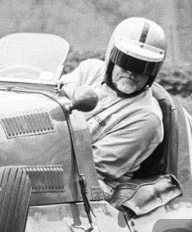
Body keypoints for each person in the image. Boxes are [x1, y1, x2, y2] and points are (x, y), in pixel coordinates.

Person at [61, 17, 167, 196]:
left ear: (153, 72)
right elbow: (52, 104)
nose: (132, 72)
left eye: (144, 66)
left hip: (90, 189)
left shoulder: (146, 118)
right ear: (112, 56)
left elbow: (91, 167)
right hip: (54, 158)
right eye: (127, 61)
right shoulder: (89, 71)